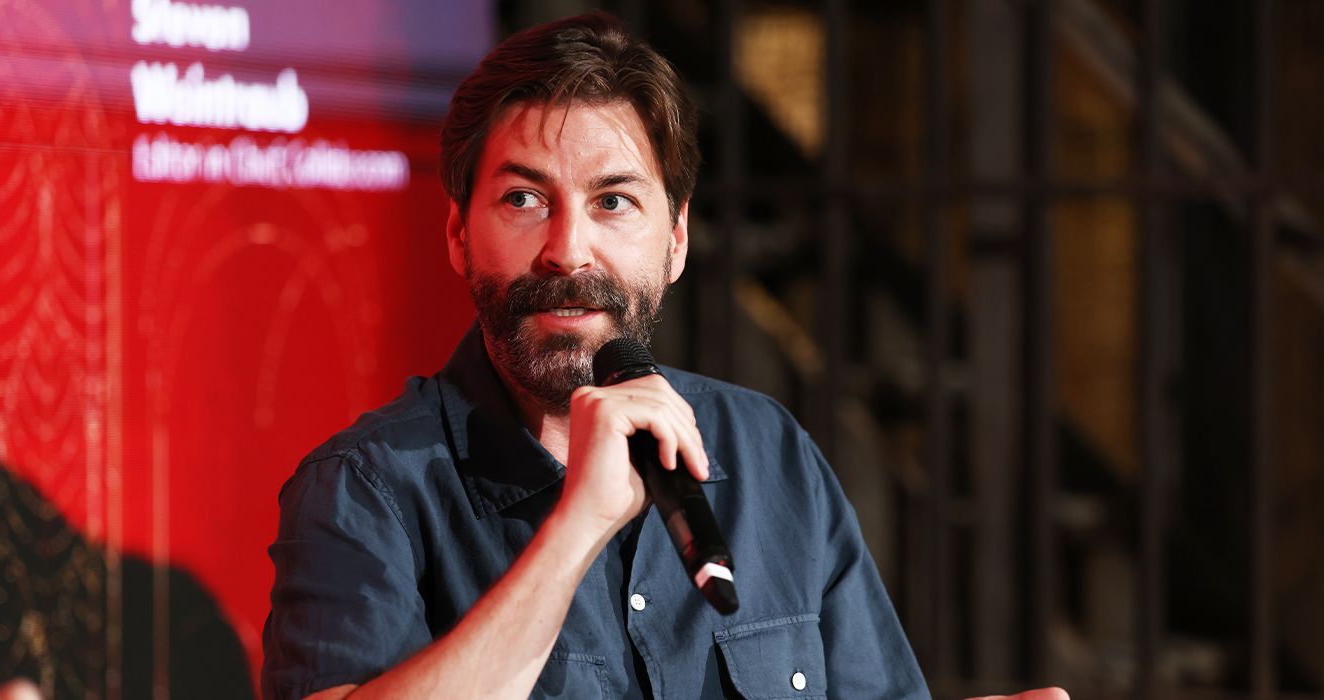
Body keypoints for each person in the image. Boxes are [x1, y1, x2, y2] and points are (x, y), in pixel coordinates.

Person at [260, 12, 1066, 700]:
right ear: (457, 235)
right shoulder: (367, 488)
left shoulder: (769, 454)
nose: (567, 250)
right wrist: (577, 529)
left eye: (614, 201)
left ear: (676, 238)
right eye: (524, 199)